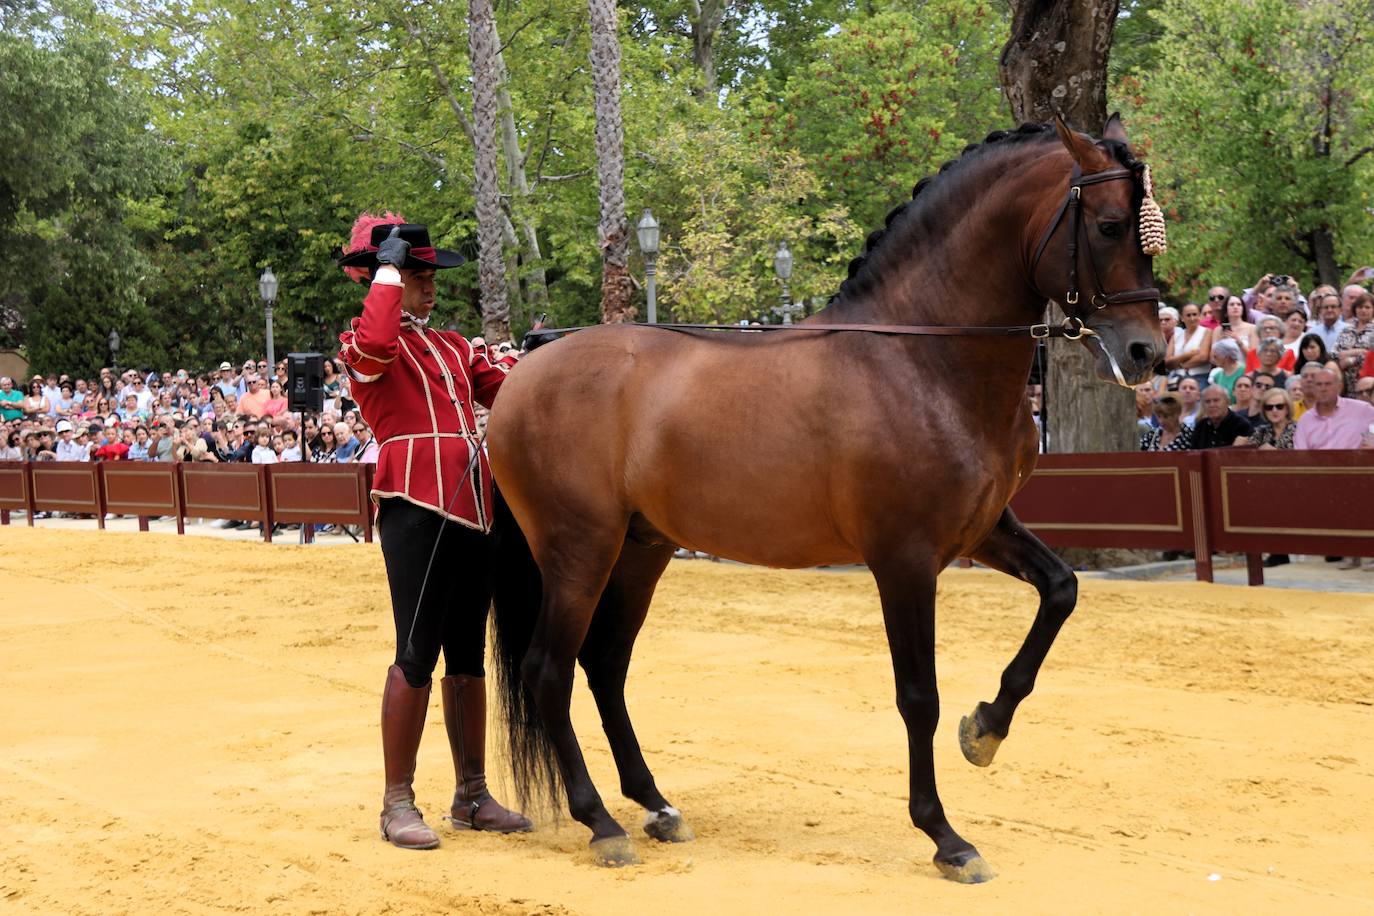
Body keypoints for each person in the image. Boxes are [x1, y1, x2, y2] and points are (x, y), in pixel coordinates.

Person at [336, 212, 530, 849]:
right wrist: (387, 273)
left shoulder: (453, 345)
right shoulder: (363, 343)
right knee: (416, 651)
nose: (430, 282)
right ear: (385, 275)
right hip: (415, 504)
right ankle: (397, 803)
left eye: (427, 272)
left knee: (469, 654)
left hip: (476, 504)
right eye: (416, 272)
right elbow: (375, 348)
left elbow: (514, 392)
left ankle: (471, 794)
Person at [1333, 291, 1374, 394]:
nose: (1363, 310)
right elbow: (1335, 353)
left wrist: (1351, 360)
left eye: (1367, 307)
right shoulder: (1346, 330)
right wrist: (1359, 351)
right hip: (1345, 384)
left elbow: (1370, 355)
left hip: (1367, 385)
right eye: (1360, 307)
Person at [1165, 302, 1212, 387]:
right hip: (1176, 379)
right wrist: (1189, 354)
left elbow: (1203, 357)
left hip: (1200, 378)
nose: (1192, 318)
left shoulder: (1206, 332)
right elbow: (1167, 362)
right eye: (1188, 315)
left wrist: (1178, 364)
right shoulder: (1176, 336)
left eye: (1195, 314)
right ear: (1182, 318)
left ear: (1200, 316)